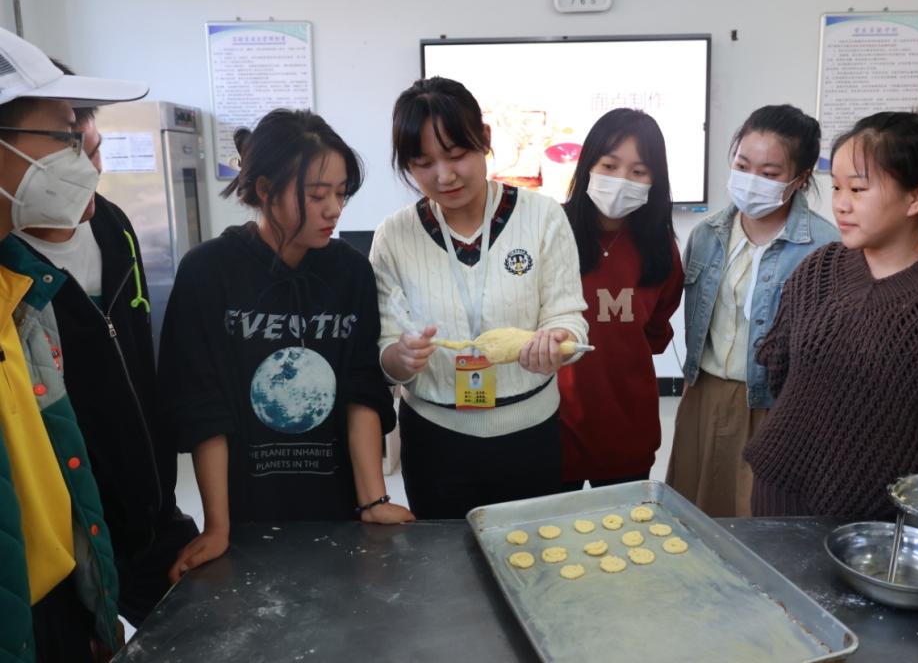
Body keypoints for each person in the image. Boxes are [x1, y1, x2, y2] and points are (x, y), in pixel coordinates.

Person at [159, 109, 413, 582]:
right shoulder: (209, 271)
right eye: (317, 195)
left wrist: (373, 500)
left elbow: (362, 389)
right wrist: (217, 526)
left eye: (340, 193)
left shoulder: (350, 272)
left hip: (336, 504)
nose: (334, 209)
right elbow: (203, 406)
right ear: (265, 190)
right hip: (246, 507)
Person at [745, 111, 918, 517]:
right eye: (836, 186)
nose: (841, 204)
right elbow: (782, 373)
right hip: (779, 493)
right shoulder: (819, 269)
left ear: (917, 197)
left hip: (879, 519)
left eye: (858, 189)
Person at [14, 60, 199, 628]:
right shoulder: (13, 269)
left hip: (154, 510)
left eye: (94, 151)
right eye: (70, 150)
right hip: (70, 537)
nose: (89, 172)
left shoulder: (113, 226)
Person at [371, 77, 588, 519]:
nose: (444, 176)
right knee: (443, 556)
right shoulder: (394, 236)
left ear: (484, 139)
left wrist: (558, 340)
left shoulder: (542, 217)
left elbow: (567, 315)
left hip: (529, 433)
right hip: (435, 439)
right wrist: (400, 358)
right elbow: (385, 347)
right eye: (423, 163)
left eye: (456, 155)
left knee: (532, 550)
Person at [0, 27, 147, 663]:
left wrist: (93, 602)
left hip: (57, 601)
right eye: (64, 137)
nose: (85, 164)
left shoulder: (20, 293)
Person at [665, 105, 839, 516]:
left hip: (775, 406)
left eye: (769, 173)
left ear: (800, 179)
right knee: (693, 515)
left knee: (757, 518)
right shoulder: (706, 235)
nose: (751, 180)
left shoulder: (825, 247)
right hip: (703, 396)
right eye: (743, 166)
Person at [558, 108, 683, 489]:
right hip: (555, 427)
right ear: (588, 166)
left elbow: (656, 332)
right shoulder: (551, 231)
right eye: (609, 166)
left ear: (655, 179)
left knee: (624, 525)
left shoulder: (660, 248)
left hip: (627, 428)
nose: (621, 181)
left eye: (638, 171)